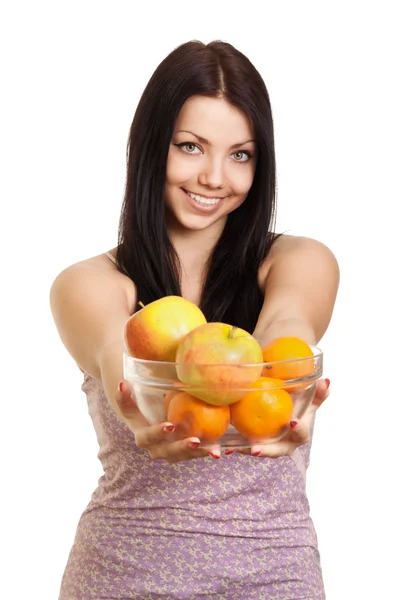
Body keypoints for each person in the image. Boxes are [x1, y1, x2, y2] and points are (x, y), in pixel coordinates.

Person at [50, 39, 339, 600]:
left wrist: (288, 391)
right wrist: (140, 415)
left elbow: (287, 328)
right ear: (150, 146)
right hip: (122, 570)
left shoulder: (299, 261)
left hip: (276, 573)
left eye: (241, 154)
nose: (213, 177)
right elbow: (122, 364)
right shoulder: (90, 285)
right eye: (189, 146)